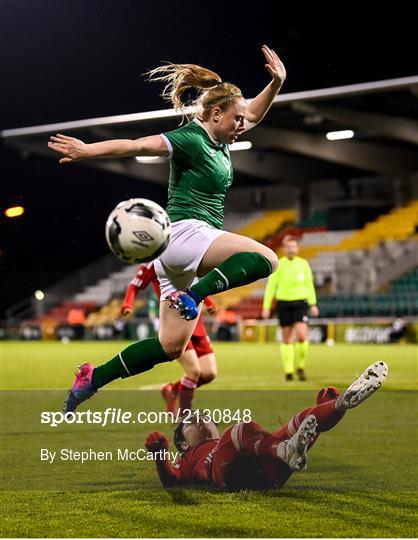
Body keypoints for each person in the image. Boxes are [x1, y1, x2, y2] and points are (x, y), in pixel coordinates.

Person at [48, 45, 287, 413]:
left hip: (175, 257)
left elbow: (253, 111)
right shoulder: (192, 138)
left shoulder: (223, 138)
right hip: (186, 233)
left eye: (243, 120)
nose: (244, 124)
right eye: (236, 119)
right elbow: (137, 144)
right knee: (267, 259)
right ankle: (194, 296)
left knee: (170, 346)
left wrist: (276, 83)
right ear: (216, 112)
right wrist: (87, 151)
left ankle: (92, 378)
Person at [145, 361, 388, 490]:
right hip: (227, 476)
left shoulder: (226, 442)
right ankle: (286, 450)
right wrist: (160, 454)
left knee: (304, 418)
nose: (202, 419)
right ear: (184, 443)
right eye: (193, 421)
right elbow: (171, 480)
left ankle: (339, 405)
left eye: (206, 418)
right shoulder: (187, 457)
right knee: (240, 431)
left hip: (267, 475)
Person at [120, 262, 218, 414]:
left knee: (209, 373)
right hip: (174, 324)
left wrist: (209, 302)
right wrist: (127, 304)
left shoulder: (185, 254)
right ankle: (184, 419)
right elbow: (135, 284)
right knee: (194, 372)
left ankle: (171, 390)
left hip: (195, 321)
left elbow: (196, 281)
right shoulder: (154, 261)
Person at [262, 235, 319, 381]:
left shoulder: (303, 264)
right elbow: (271, 287)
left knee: (301, 335)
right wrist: (266, 307)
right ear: (284, 248)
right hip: (283, 303)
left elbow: (309, 284)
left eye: (294, 246)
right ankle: (288, 371)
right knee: (286, 339)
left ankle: (300, 367)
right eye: (289, 247)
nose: (291, 249)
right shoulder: (278, 264)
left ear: (297, 248)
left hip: (300, 303)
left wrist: (313, 304)